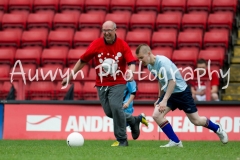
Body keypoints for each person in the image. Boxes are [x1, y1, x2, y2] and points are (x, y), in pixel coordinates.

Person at [62, 21, 148, 147]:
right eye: (104, 30)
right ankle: (134, 120)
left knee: (115, 106)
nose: (107, 33)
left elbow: (131, 62)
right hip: (101, 84)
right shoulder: (96, 44)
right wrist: (70, 76)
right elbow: (83, 60)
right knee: (110, 112)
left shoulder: (122, 45)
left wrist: (130, 73)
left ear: (115, 30)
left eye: (109, 30)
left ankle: (122, 140)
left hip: (118, 83)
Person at [135, 44, 228, 147]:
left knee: (196, 121)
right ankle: (175, 141)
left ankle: (217, 128)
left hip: (182, 93)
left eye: (141, 58)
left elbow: (172, 82)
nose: (140, 61)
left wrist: (164, 100)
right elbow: (161, 81)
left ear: (148, 53)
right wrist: (159, 98)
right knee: (157, 115)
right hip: (170, 93)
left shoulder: (162, 62)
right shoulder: (150, 65)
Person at [111, 80, 148, 146]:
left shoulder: (129, 80)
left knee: (120, 121)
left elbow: (133, 92)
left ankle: (121, 141)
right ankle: (138, 119)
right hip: (119, 104)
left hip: (126, 105)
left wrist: (128, 103)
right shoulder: (117, 78)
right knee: (120, 122)